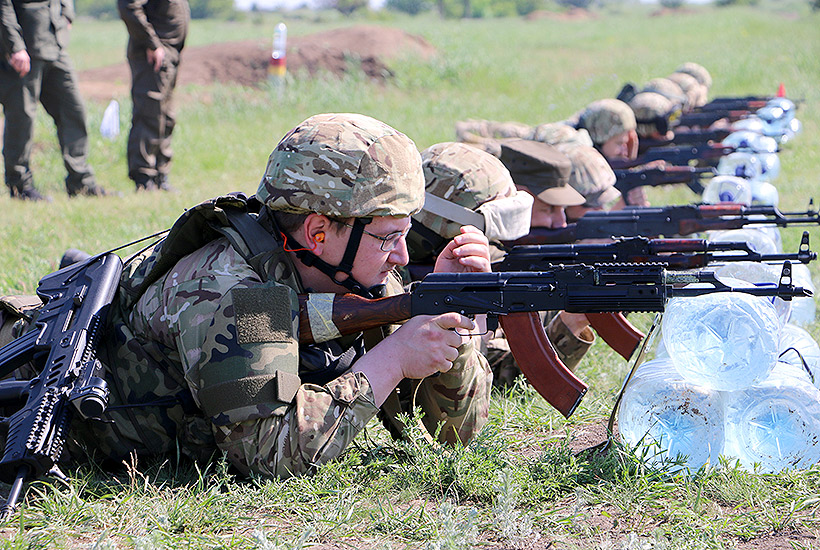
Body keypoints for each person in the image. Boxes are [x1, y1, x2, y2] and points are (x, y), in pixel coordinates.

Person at [0, 113, 493, 478]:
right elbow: (270, 456)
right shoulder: (236, 289)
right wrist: (389, 362)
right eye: (388, 237)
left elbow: (454, 437)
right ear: (318, 232)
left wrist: (447, 311)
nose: (403, 257)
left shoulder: (356, 275)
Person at [0, 0, 107, 200]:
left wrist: (67, 14)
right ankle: (19, 186)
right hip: (24, 49)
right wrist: (15, 46)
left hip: (54, 45)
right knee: (21, 118)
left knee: (74, 111)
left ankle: (80, 182)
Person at [118, 0, 190, 191]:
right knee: (149, 115)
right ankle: (144, 178)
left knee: (165, 117)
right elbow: (129, 6)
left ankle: (160, 175)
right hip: (153, 54)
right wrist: (151, 42)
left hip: (169, 54)